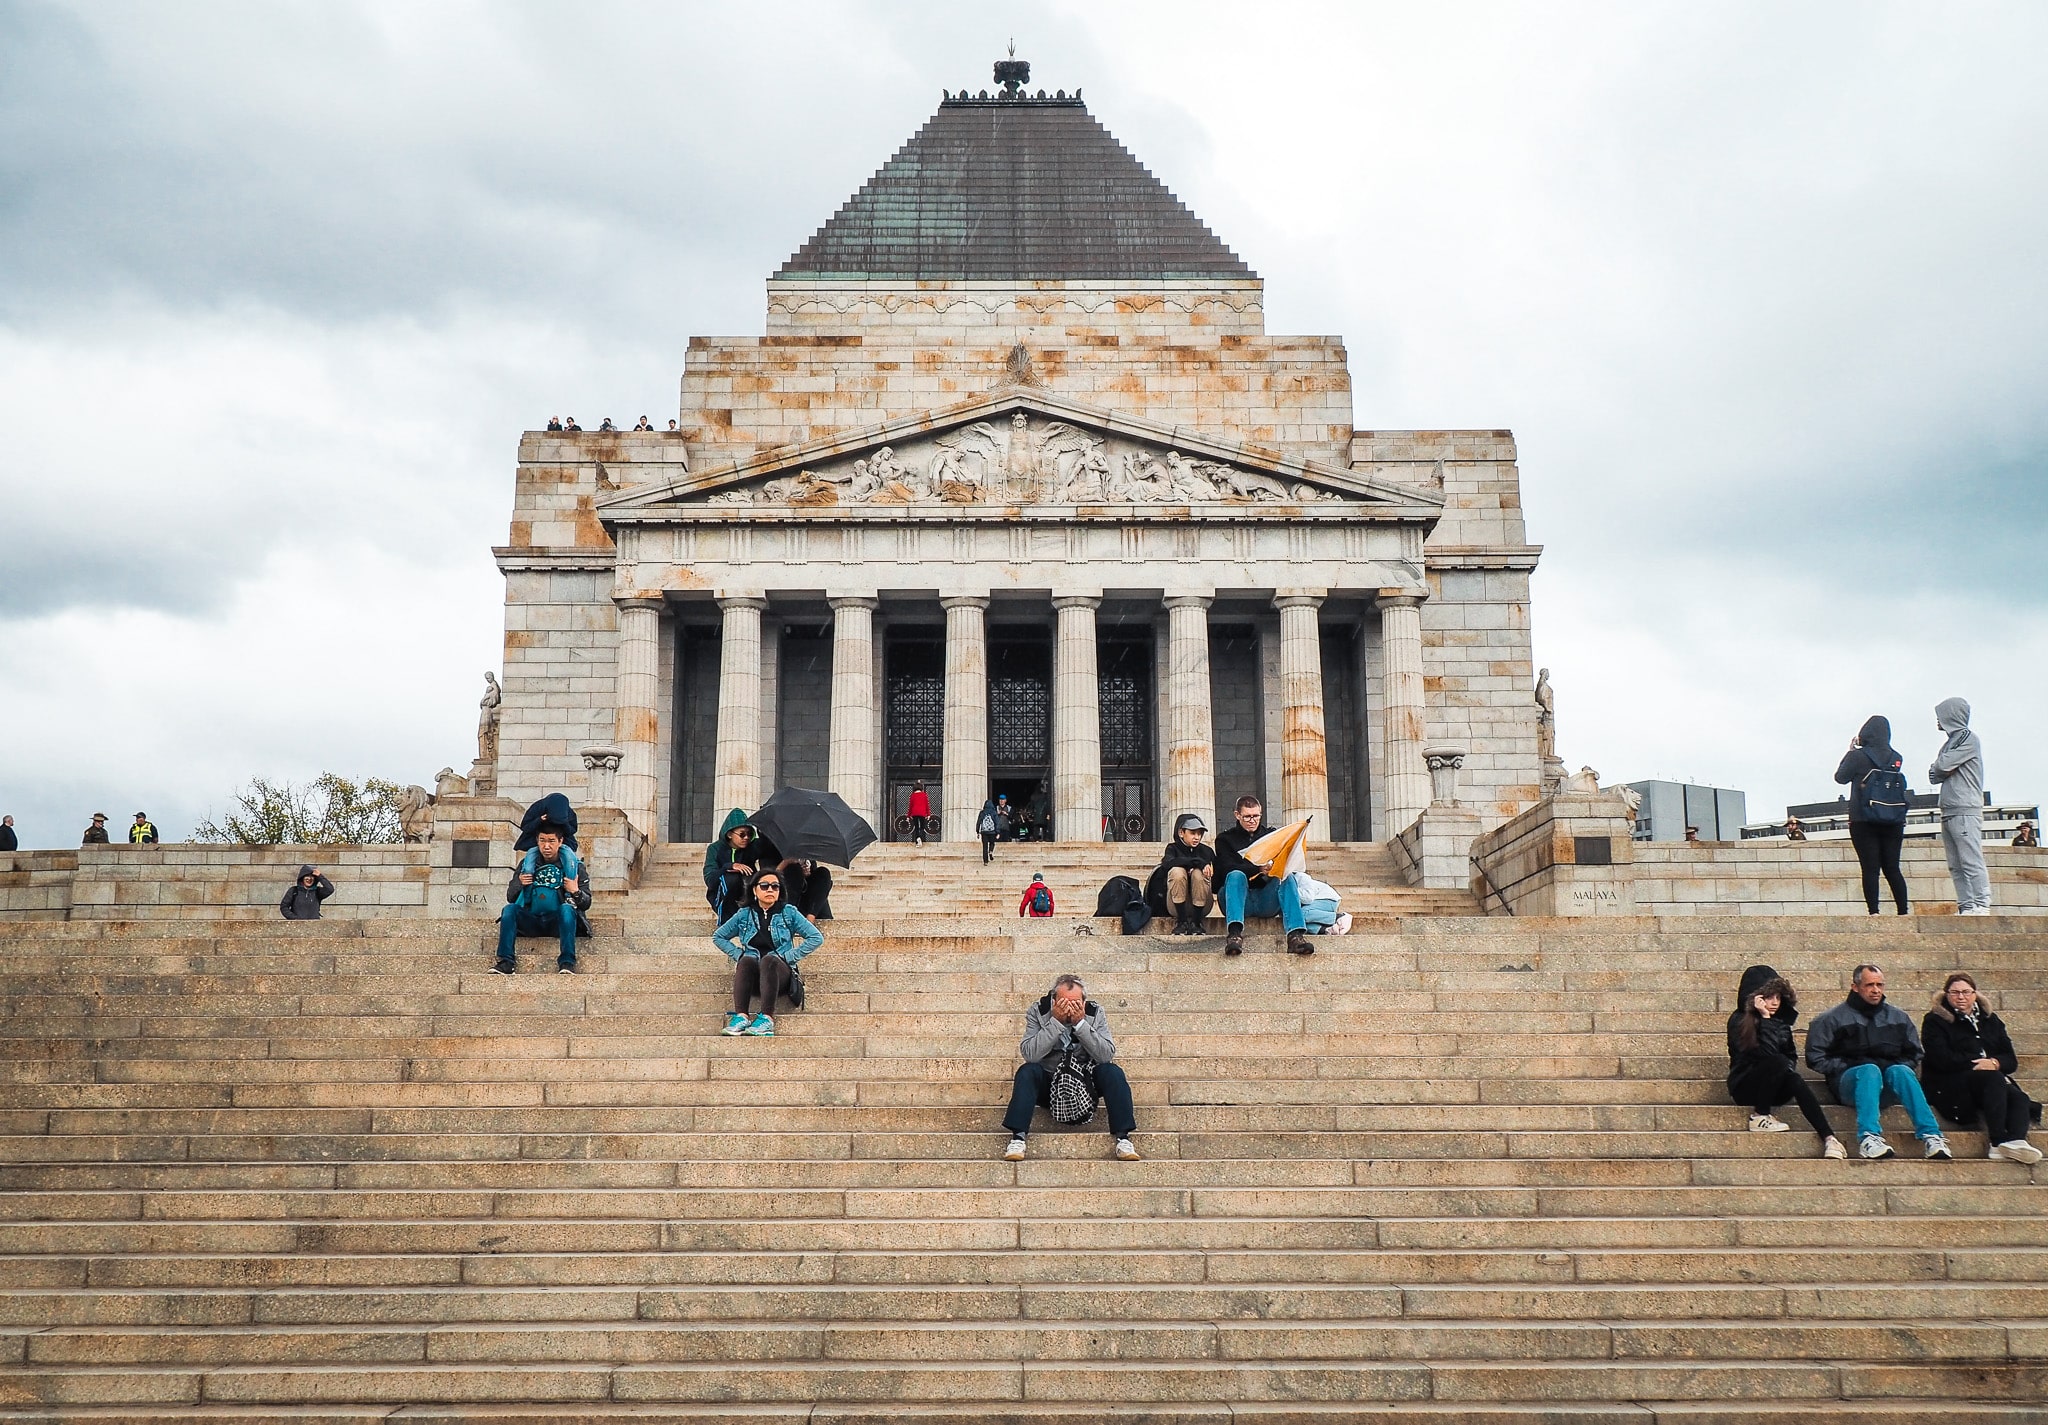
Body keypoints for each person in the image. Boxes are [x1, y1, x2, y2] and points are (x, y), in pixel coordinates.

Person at [1806, 964, 1951, 1160]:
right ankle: (1869, 1137)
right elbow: (1815, 1057)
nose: (1876, 990)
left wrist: (1890, 1069)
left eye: (1880, 985)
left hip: (1888, 1085)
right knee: (1869, 1071)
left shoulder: (1898, 1017)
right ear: (1855, 986)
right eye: (1870, 985)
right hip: (1850, 1083)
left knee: (1901, 1071)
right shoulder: (1831, 1019)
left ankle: (1931, 1135)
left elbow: (1915, 1053)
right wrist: (1846, 1067)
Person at [1001, 974, 1139, 1162]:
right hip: (1050, 1084)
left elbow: (1106, 1055)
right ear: (1053, 1000)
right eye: (1064, 1003)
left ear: (1083, 1002)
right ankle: (1018, 1138)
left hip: (1084, 1083)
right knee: (1027, 1071)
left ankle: (1123, 1138)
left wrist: (1081, 1024)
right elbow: (1030, 1054)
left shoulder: (1095, 1013)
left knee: (1112, 1072)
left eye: (1075, 1003)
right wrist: (1055, 1023)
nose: (1069, 1009)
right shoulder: (1038, 1011)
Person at [1921, 973, 2042, 1164]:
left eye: (1966, 992)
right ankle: (1997, 1140)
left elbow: (2010, 1059)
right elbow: (1941, 1058)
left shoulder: (1990, 1020)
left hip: (1987, 1082)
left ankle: (2016, 1140)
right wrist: (1979, 1062)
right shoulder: (1935, 1020)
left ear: (1974, 994)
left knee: (2020, 1098)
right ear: (1947, 995)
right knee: (1993, 1079)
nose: (1961, 997)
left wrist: (1994, 1063)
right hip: (1950, 1082)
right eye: (1955, 992)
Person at [1726, 964, 1845, 1159]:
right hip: (1744, 1086)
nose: (1774, 1003)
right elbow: (1766, 1054)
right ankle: (1760, 1116)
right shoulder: (1739, 1020)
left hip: (1773, 1086)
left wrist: (1786, 1072)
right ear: (1756, 998)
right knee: (1778, 1061)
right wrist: (1765, 1018)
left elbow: (1790, 1055)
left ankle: (1829, 1138)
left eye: (1778, 997)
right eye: (1768, 997)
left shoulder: (1780, 1022)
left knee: (1794, 1079)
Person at [712, 866, 822, 1037]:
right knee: (746, 960)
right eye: (764, 886)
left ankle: (767, 1019)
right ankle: (741, 1017)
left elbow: (816, 937)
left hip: (780, 976)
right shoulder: (744, 914)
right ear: (755, 889)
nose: (770, 889)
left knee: (769, 960)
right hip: (754, 978)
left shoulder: (789, 912)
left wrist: (788, 957)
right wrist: (738, 954)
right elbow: (719, 936)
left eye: (775, 886)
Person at [1213, 796, 1312, 958]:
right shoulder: (1225, 839)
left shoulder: (1272, 836)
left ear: (1261, 814)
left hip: (1266, 898)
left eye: (1256, 816)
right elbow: (1225, 868)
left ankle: (1295, 935)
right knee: (1235, 875)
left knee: (1285, 876)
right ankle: (1235, 934)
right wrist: (1257, 868)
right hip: (1237, 898)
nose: (1252, 820)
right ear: (1237, 815)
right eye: (1247, 816)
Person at [1836, 714, 1910, 916]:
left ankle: (1874, 912)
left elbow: (1840, 777)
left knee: (1870, 868)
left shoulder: (1857, 756)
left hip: (1863, 819)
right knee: (1893, 867)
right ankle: (1903, 911)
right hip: (1893, 818)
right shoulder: (1896, 757)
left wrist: (1850, 751)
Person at [1929, 697, 1990, 915]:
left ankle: (1981, 904)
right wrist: (1940, 768)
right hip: (1949, 808)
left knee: (1971, 860)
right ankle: (1966, 906)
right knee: (1955, 865)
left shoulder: (1967, 738)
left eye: (1940, 714)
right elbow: (1934, 775)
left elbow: (1942, 766)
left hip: (1965, 808)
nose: (1937, 719)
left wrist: (1940, 767)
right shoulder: (1949, 742)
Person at [495, 825, 583, 975]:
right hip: (532, 919)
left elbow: (586, 903)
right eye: (542, 840)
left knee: (567, 909)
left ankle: (567, 962)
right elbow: (511, 897)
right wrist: (519, 884)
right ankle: (506, 962)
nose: (546, 846)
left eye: (551, 841)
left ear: (560, 841)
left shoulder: (574, 866)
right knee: (509, 910)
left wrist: (575, 891)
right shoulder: (526, 865)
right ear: (537, 841)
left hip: (557, 921)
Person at [1159, 813, 1216, 935]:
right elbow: (1166, 864)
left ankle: (1196, 922)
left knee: (1198, 874)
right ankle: (1182, 922)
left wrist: (1199, 868)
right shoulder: (1172, 849)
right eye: (1193, 833)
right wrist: (1197, 862)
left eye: (1199, 833)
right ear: (1181, 833)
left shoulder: (1206, 851)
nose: (1197, 837)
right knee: (1177, 871)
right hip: (1176, 905)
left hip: (1203, 904)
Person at [704, 810, 765, 921]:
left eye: (749, 834)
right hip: (721, 895)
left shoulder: (752, 847)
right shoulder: (715, 849)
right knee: (731, 878)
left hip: (747, 892)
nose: (746, 837)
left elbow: (769, 844)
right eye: (742, 834)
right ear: (729, 834)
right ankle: (727, 920)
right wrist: (728, 866)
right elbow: (710, 879)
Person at [976, 798, 1004, 864]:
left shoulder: (982, 813)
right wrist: (998, 832)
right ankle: (991, 851)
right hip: (992, 831)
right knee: (992, 843)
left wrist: (977, 831)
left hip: (984, 831)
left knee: (985, 846)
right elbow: (997, 822)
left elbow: (978, 822)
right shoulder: (994, 812)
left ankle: (985, 861)